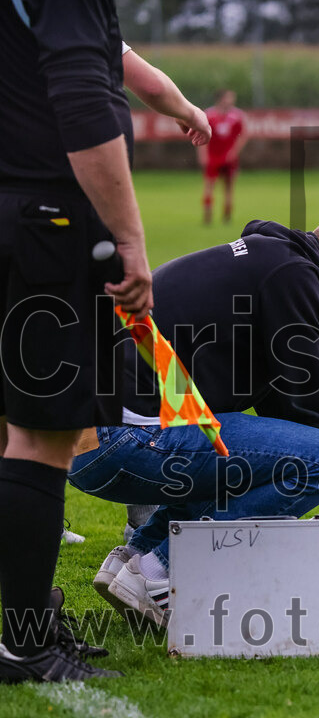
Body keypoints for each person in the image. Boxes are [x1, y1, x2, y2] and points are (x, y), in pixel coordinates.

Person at [68, 213, 319, 628]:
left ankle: (134, 559)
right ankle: (163, 572)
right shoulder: (293, 275)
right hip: (121, 438)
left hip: (79, 439)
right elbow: (311, 399)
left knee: (256, 452)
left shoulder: (267, 263)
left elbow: (287, 409)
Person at [0, 0, 153, 682]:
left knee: (13, 431)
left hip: (13, 210)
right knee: (43, 436)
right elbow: (83, 99)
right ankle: (24, 641)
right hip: (47, 221)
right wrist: (128, 237)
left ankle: (29, 613)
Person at [120, 41, 212, 544]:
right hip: (52, 215)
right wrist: (191, 111)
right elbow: (150, 83)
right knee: (55, 404)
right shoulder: (70, 12)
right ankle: (145, 529)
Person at [199, 89, 247, 225]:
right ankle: (207, 214)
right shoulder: (209, 115)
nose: (231, 101)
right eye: (229, 98)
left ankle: (227, 215)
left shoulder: (237, 116)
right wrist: (203, 154)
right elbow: (201, 134)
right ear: (220, 99)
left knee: (229, 187)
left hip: (229, 158)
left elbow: (243, 135)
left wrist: (234, 152)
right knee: (209, 185)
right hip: (213, 156)